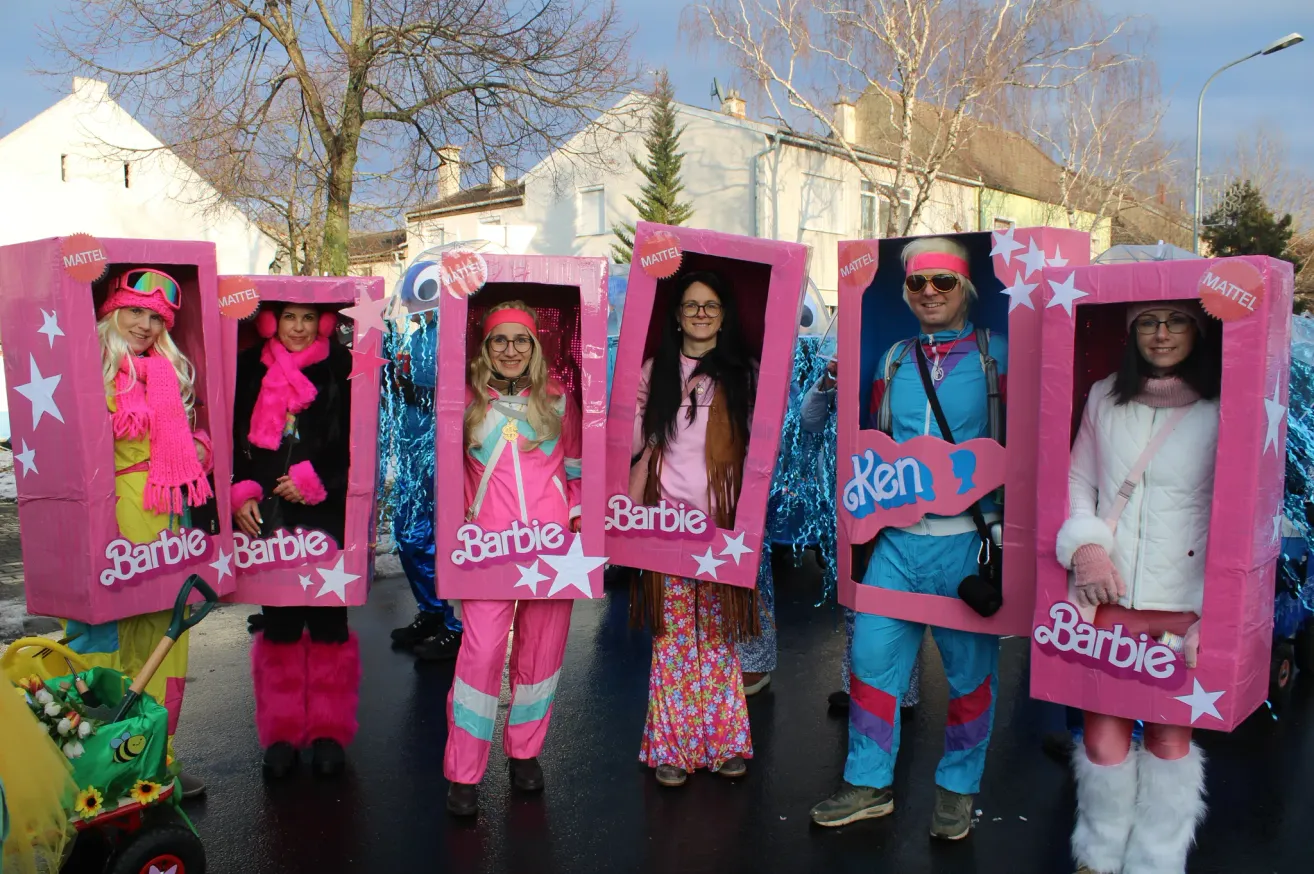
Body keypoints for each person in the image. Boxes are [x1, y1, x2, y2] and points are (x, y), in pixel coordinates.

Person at [810, 237, 1006, 840]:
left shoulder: (996, 356)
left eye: (942, 283)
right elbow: (849, 433)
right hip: (894, 542)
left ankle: (957, 791)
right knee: (870, 663)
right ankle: (869, 783)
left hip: (965, 545)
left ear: (966, 289)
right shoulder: (892, 357)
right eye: (918, 284)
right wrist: (826, 385)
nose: (928, 293)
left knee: (970, 679)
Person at [1058, 301, 1220, 874]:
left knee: (1170, 743)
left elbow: (1239, 508)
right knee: (1103, 742)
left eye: (1176, 321)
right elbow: (1078, 478)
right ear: (1131, 333)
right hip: (1110, 602)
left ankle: (1156, 862)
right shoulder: (1105, 396)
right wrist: (1086, 547)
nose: (1161, 333)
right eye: (1148, 322)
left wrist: (1218, 611)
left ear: (1197, 332)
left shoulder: (1224, 405)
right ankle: (1099, 856)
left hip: (1184, 607)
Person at [65, 268, 215, 799]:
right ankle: (97, 773)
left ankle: (157, 762)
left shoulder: (171, 374)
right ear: (111, 311)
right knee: (108, 647)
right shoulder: (86, 374)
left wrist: (199, 447)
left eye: (156, 317)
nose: (146, 324)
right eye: (136, 311)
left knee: (168, 646)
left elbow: (192, 438)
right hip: (111, 525)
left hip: (169, 523)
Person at [445, 301, 582, 816]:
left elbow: (575, 470)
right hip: (487, 548)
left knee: (541, 657)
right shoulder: (461, 402)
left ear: (534, 348)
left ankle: (525, 751)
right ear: (485, 347)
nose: (510, 350)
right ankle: (463, 772)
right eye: (499, 340)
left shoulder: (557, 398)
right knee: (479, 657)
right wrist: (456, 533)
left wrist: (577, 517)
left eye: (520, 340)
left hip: (550, 550)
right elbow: (448, 478)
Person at [631, 271, 760, 788]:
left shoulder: (745, 374)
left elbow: (762, 443)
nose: (701, 314)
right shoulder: (653, 370)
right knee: (673, 639)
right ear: (677, 315)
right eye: (691, 306)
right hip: (665, 520)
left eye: (710, 305)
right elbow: (634, 437)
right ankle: (673, 747)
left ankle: (725, 742)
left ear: (724, 315)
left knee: (720, 635)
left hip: (722, 524)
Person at [233, 303, 359, 779]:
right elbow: (231, 438)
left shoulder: (342, 367)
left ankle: (329, 731)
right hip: (266, 515)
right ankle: (282, 731)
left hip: (326, 511)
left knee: (328, 624)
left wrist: (318, 479)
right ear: (272, 322)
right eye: (289, 317)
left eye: (310, 317)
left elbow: (360, 442)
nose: (300, 327)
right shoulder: (249, 367)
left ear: (325, 323)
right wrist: (241, 492)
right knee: (281, 625)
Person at [800, 358, 924, 715]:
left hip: (897, 497)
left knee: (896, 600)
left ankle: (901, 692)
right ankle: (858, 686)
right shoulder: (850, 373)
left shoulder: (901, 375)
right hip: (854, 502)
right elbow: (809, 421)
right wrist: (829, 380)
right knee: (857, 598)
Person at [388, 313, 464, 660]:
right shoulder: (413, 336)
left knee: (446, 539)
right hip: (412, 457)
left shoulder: (457, 333)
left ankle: (454, 624)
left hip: (445, 456)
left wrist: (420, 391)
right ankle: (432, 609)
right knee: (408, 534)